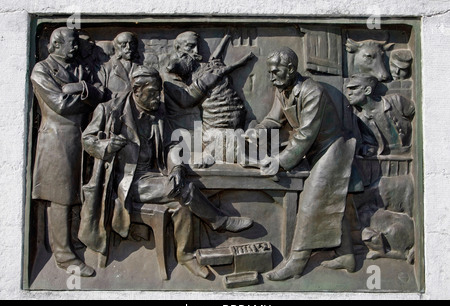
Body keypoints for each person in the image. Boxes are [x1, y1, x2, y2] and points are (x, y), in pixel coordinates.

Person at [79, 65, 253, 278]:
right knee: (184, 189)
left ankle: (185, 255)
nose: (158, 96)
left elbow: (171, 145)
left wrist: (176, 167)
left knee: (181, 204)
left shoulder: (156, 111)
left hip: (153, 177)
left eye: (159, 90)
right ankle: (220, 221)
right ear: (136, 91)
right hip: (125, 181)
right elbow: (87, 140)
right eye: (152, 92)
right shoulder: (109, 110)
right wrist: (106, 146)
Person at [253, 47, 357, 281]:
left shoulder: (313, 92)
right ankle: (347, 254)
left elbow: (305, 134)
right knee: (331, 201)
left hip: (331, 150)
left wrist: (280, 162)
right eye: (269, 72)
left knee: (312, 203)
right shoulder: (282, 88)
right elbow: (273, 119)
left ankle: (297, 263)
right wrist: (256, 131)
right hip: (311, 150)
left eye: (275, 71)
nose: (271, 76)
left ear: (291, 69)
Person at [30, 27, 105, 277]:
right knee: (59, 197)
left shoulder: (79, 69)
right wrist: (85, 93)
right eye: (71, 43)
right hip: (56, 141)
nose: (75, 48)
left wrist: (79, 88)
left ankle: (74, 239)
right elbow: (60, 104)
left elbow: (99, 93)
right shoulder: (42, 69)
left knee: (76, 193)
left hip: (81, 138)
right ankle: (63, 256)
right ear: (56, 44)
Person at [345, 73, 415, 157]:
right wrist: (367, 150)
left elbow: (417, 117)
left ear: (367, 90)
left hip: (410, 152)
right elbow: (371, 144)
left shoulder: (396, 101)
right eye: (348, 89)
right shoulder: (362, 120)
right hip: (392, 159)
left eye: (354, 89)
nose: (349, 93)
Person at [98, 31, 141, 100]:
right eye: (124, 44)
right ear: (116, 46)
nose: (128, 47)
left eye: (132, 44)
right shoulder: (105, 69)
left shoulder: (141, 68)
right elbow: (100, 94)